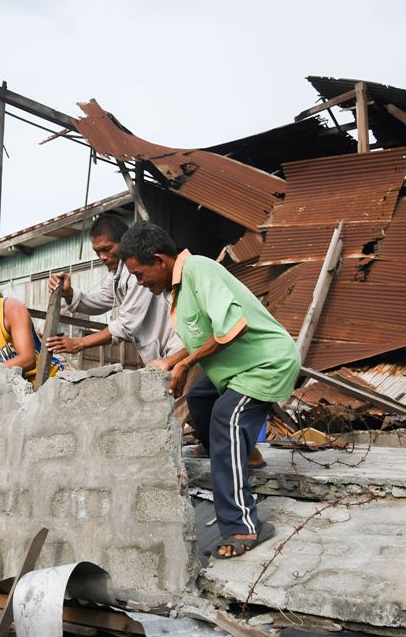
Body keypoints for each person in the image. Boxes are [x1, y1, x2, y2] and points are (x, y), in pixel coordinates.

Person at [119, 221, 301, 559]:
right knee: (201, 399)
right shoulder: (179, 288)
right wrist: (170, 361)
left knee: (225, 419)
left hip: (265, 364)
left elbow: (233, 328)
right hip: (236, 369)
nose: (140, 283)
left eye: (141, 274)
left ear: (159, 259)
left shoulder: (199, 270)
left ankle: (242, 526)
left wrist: (184, 366)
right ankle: (246, 455)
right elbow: (203, 338)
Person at [45, 214, 183, 368]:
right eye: (97, 252)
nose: (102, 257)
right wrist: (69, 293)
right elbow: (102, 300)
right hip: (163, 354)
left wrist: (80, 343)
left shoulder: (139, 272)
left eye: (107, 249)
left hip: (178, 349)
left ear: (124, 243)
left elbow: (127, 324)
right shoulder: (117, 274)